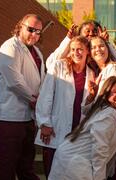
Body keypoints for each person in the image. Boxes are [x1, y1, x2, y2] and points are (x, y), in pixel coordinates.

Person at [0, 14, 44, 180]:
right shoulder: (10, 47)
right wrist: (34, 100)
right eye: (31, 29)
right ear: (20, 26)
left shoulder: (36, 51)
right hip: (9, 117)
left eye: (38, 32)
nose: (34, 34)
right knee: (7, 165)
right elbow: (14, 82)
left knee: (26, 165)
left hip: (28, 118)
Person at [48, 76, 116, 180]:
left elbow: (85, 110)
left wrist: (91, 96)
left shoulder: (103, 108)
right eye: (114, 92)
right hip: (75, 165)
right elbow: (100, 148)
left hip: (69, 159)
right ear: (107, 94)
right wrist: (99, 178)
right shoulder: (108, 113)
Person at [35, 36, 93, 177]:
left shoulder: (91, 73)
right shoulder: (58, 66)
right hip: (55, 129)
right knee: (52, 172)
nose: (76, 53)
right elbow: (45, 95)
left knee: (70, 174)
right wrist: (44, 123)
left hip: (77, 132)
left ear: (87, 52)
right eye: (73, 49)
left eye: (80, 49)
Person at [46, 20, 116, 70]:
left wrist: (106, 43)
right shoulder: (73, 53)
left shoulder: (102, 52)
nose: (91, 34)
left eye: (95, 31)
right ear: (79, 34)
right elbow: (50, 64)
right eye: (87, 31)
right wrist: (68, 39)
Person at [87, 36, 116, 102]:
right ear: (90, 54)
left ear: (108, 49)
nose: (98, 49)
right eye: (93, 47)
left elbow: (114, 101)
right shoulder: (95, 73)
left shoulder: (114, 68)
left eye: (101, 46)